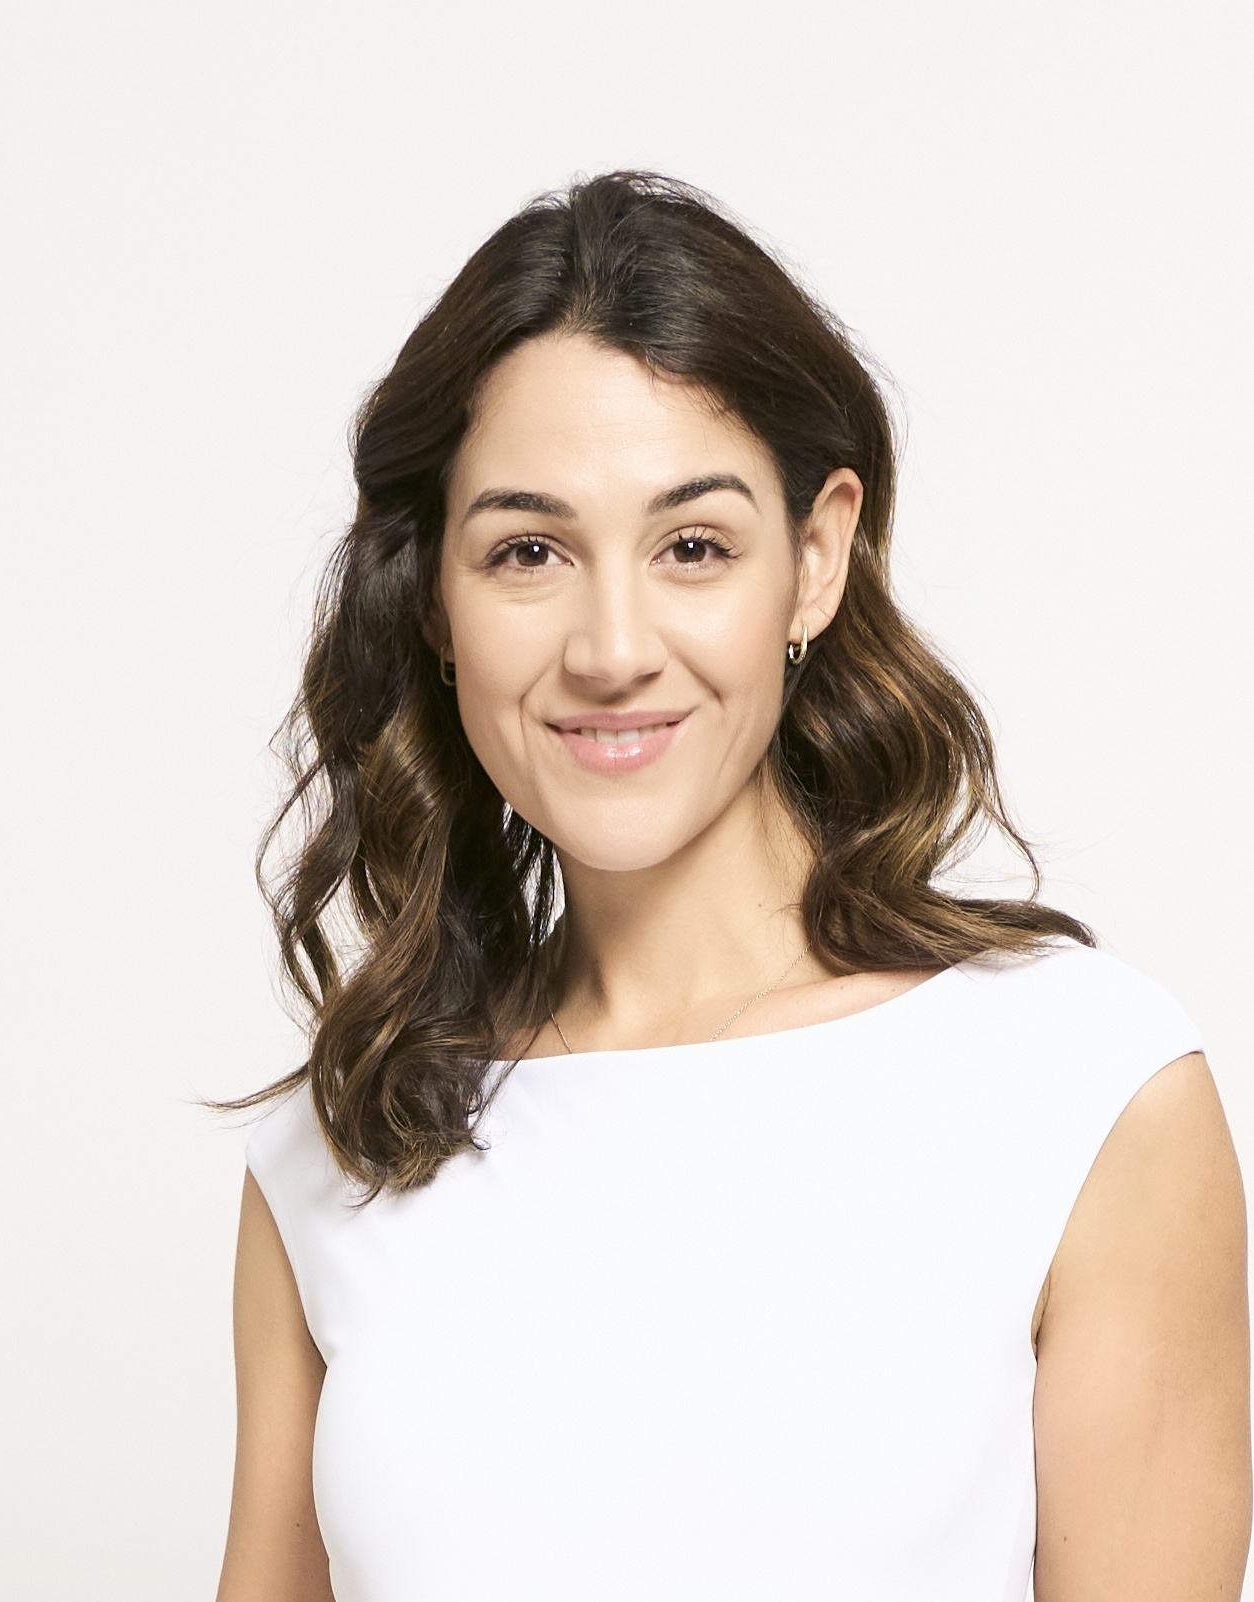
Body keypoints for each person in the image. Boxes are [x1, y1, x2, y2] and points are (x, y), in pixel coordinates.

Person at [214, 171, 1251, 1602]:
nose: (610, 644)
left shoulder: (1079, 1090)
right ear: (436, 603)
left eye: (692, 545)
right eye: (527, 551)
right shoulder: (340, 1145)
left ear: (815, 557)